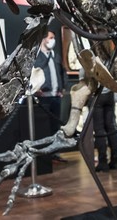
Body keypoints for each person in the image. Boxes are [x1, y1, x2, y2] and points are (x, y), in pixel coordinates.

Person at [33, 30, 68, 162]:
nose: (53, 40)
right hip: (43, 98)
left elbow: (62, 72)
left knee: (55, 126)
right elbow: (32, 73)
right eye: (51, 37)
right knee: (44, 127)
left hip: (56, 96)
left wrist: (63, 87)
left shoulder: (55, 55)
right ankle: (44, 155)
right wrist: (36, 88)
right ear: (44, 39)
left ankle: (54, 153)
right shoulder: (37, 56)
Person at [93, 87, 117, 172]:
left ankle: (102, 162)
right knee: (111, 127)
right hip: (110, 94)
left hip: (97, 94)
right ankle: (115, 160)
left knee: (99, 129)